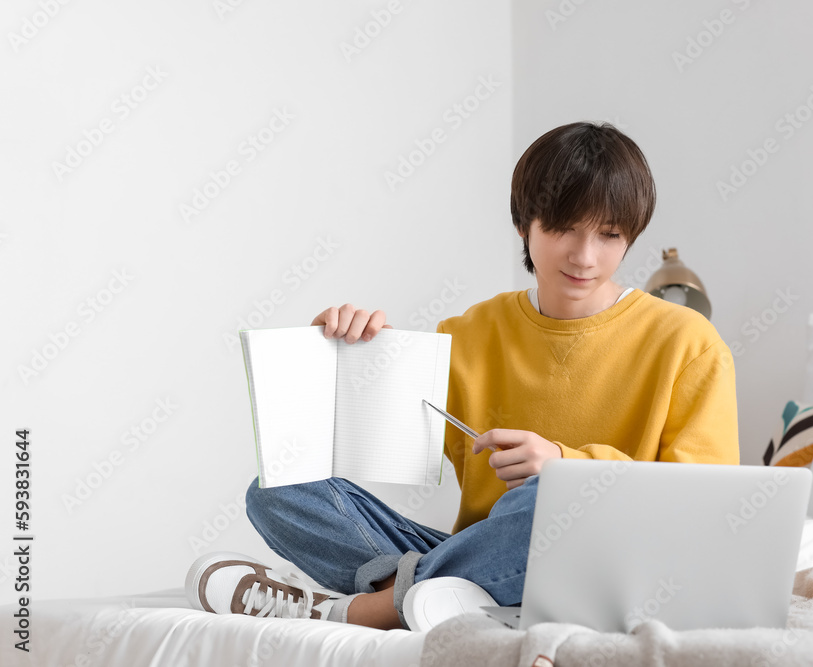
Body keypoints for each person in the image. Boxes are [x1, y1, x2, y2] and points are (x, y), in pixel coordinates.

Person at [185, 121, 740, 631]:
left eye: (610, 235)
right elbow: (337, 452)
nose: (585, 256)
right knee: (276, 488)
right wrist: (331, 358)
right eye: (563, 228)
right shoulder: (468, 333)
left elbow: (705, 507)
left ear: (632, 237)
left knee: (541, 501)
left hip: (603, 563)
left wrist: (569, 468)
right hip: (483, 555)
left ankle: (367, 610)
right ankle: (445, 595)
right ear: (525, 223)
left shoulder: (687, 341)